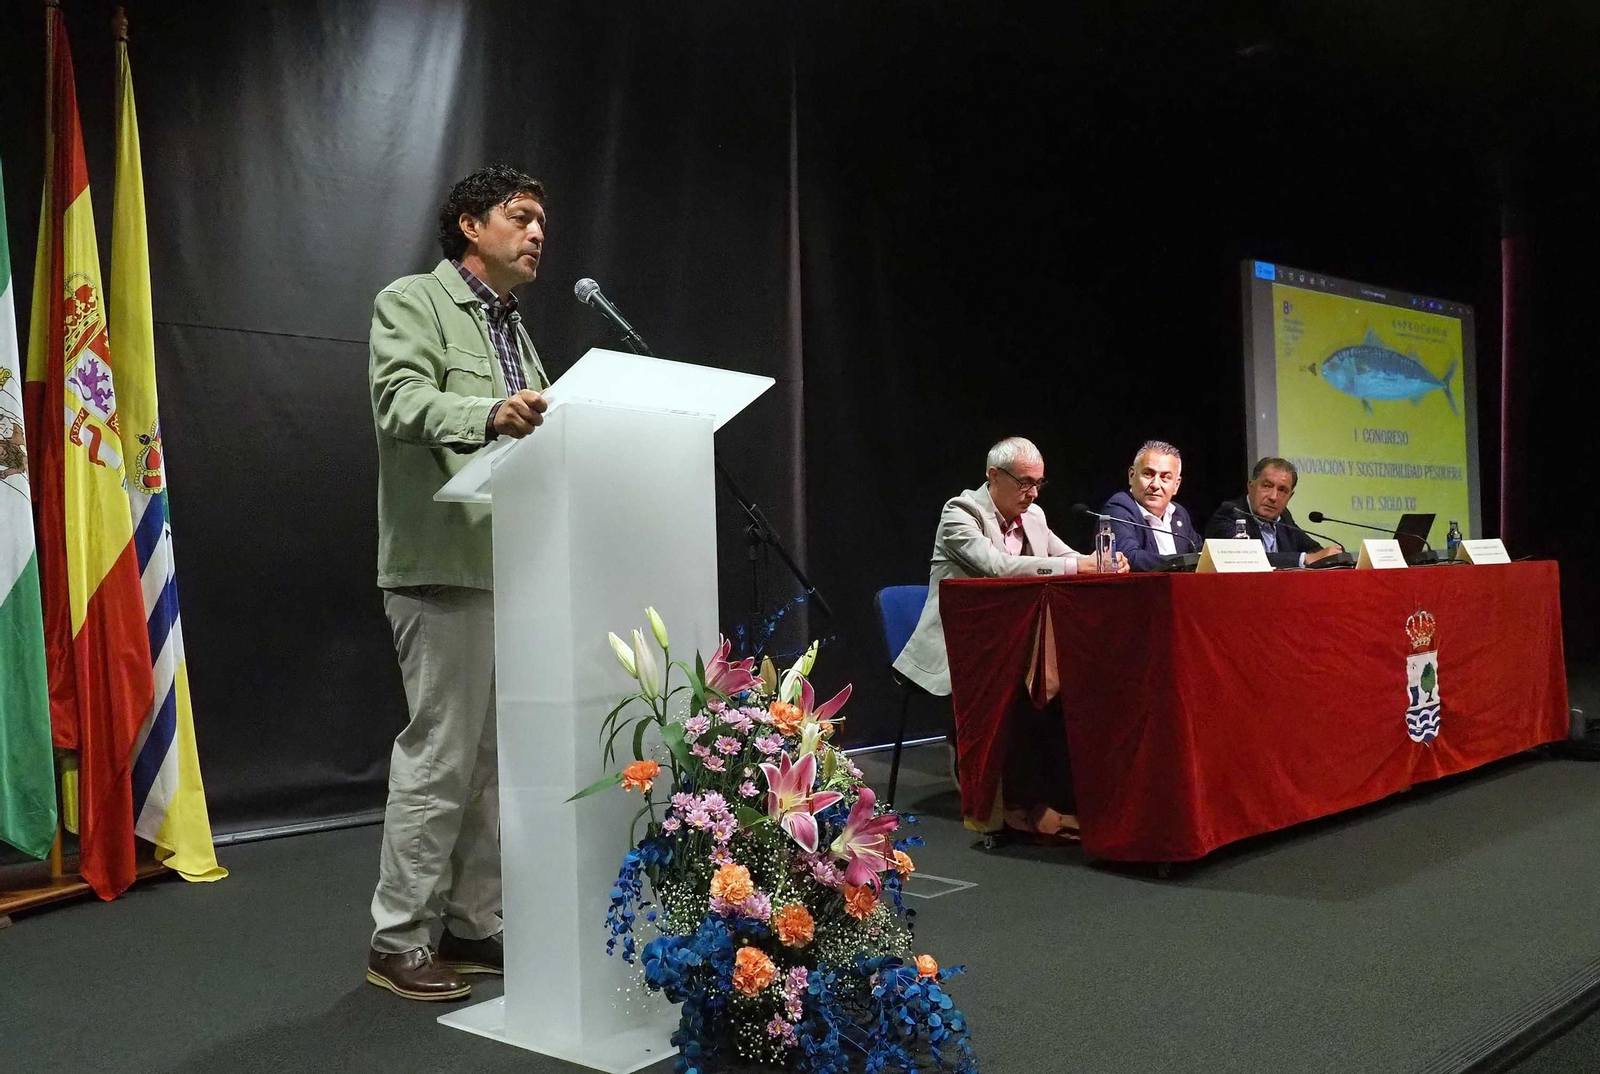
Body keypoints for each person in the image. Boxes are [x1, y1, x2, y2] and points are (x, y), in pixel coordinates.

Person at [365, 165, 552, 1001]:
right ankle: (397, 939)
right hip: (443, 566)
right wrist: (485, 414)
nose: (538, 233)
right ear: (471, 226)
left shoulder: (519, 330)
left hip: (512, 570)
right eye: (522, 216)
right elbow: (399, 404)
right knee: (441, 757)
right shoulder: (414, 301)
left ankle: (473, 925)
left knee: (488, 764)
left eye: (543, 221)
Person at [893, 437, 1126, 840]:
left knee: (1062, 687)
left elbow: (1068, 557)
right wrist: (1077, 566)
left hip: (1012, 642)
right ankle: (1011, 804)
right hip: (959, 647)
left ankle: (1053, 798)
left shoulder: (1033, 516)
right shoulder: (960, 513)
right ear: (993, 476)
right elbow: (998, 566)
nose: (1033, 493)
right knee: (1025, 691)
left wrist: (1103, 563)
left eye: (1038, 484)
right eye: (1024, 483)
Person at [1203, 456, 1344, 568]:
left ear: (1290, 496)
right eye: (1266, 486)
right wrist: (1305, 559)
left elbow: (1313, 549)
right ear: (1251, 486)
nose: (1273, 497)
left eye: (1282, 490)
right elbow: (1245, 559)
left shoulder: (1283, 516)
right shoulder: (1230, 513)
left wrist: (1331, 555)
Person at [1101, 440, 1196, 572]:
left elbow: (1199, 555)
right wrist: (1182, 562)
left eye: (1165, 477)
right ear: (1131, 475)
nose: (1155, 484)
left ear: (1176, 485)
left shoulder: (1179, 514)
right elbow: (1129, 557)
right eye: (1148, 474)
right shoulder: (1119, 507)